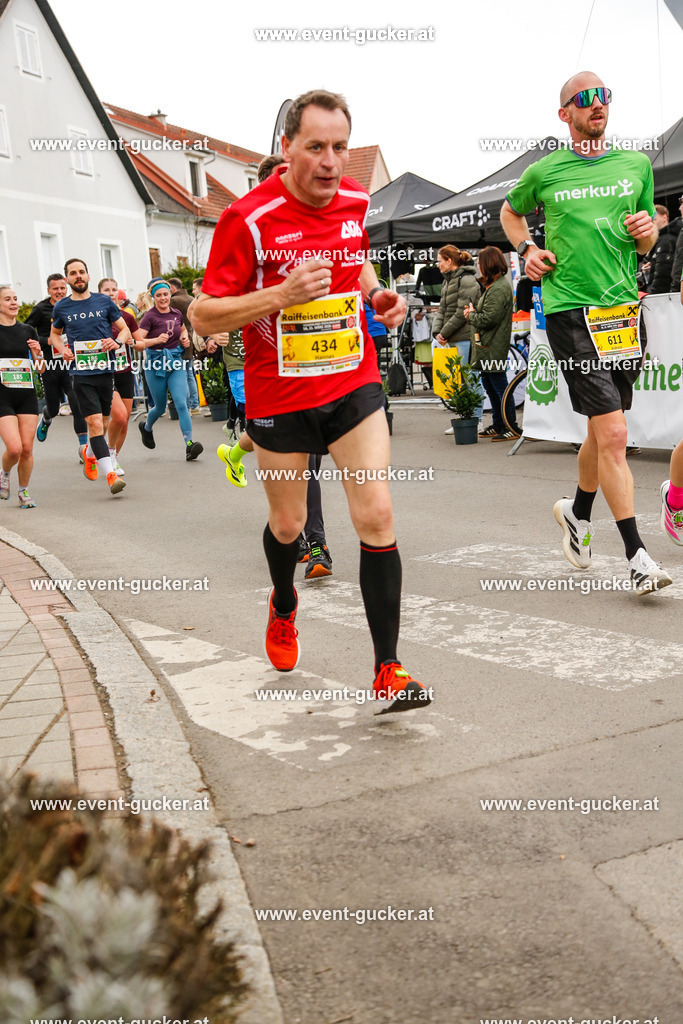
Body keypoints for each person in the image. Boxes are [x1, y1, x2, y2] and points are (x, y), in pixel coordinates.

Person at [192, 88, 431, 712]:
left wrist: (377, 297)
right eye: (317, 147)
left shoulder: (355, 201)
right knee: (290, 526)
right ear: (287, 148)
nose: (331, 162)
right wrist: (280, 296)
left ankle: (388, 668)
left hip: (351, 379)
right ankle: (283, 602)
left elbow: (358, 265)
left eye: (341, 148)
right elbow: (204, 315)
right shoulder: (246, 218)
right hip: (279, 393)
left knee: (376, 513)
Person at [501, 71, 672, 594]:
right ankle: (638, 556)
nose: (597, 105)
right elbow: (510, 212)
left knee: (605, 429)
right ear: (565, 114)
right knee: (617, 433)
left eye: (604, 96)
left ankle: (577, 514)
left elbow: (643, 240)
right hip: (570, 310)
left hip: (621, 312)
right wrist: (528, 249)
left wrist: (649, 232)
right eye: (585, 98)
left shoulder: (636, 164)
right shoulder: (545, 171)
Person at [48, 259, 129, 495]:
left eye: (81, 272)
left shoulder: (103, 301)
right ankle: (111, 477)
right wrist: (62, 348)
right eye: (73, 273)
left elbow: (123, 329)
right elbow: (54, 334)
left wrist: (116, 341)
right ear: (67, 279)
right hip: (80, 374)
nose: (78, 276)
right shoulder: (62, 307)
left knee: (103, 423)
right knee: (94, 423)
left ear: (88, 276)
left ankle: (90, 454)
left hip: (105, 370)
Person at [137, 278, 203, 461]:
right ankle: (147, 427)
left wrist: (185, 339)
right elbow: (138, 342)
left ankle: (190, 445)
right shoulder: (149, 316)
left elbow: (182, 330)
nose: (163, 298)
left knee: (182, 403)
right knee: (159, 407)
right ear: (154, 297)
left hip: (175, 362)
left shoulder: (175, 313)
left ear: (169, 294)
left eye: (165, 294)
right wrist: (156, 340)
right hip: (155, 363)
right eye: (159, 295)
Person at [26, 273, 89, 456]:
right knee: (54, 408)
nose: (60, 291)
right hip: (50, 365)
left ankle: (83, 449)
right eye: (56, 288)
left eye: (62, 288)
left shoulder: (73, 305)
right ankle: (46, 418)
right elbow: (27, 332)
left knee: (76, 403)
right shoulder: (40, 309)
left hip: (71, 363)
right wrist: (48, 341)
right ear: (49, 290)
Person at [464, 246, 520, 441]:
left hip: (492, 345)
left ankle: (509, 426)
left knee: (499, 386)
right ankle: (499, 424)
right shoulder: (496, 285)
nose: (478, 266)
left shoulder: (498, 288)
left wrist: (471, 315)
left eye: (480, 262)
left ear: (488, 264)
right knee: (491, 383)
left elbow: (488, 319)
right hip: (489, 345)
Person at [0, 286, 45, 507]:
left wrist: (38, 354)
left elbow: (41, 368)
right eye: (8, 299)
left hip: (26, 394)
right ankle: (5, 473)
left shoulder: (27, 330)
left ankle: (23, 492)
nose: (14, 303)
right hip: (2, 396)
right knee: (15, 448)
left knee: (27, 448)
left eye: (15, 299)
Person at [98, 278, 146, 474]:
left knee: (124, 421)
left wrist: (130, 343)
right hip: (103, 373)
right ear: (99, 293)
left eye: (114, 289)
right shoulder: (97, 317)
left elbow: (141, 343)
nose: (111, 293)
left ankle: (112, 457)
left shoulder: (127, 318)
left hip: (124, 372)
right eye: (106, 290)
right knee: (111, 418)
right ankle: (97, 448)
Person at [431, 246, 481, 364]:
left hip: (464, 338)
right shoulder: (447, 281)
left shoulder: (466, 279)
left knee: (468, 379)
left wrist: (442, 333)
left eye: (439, 261)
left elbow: (461, 313)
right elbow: (442, 309)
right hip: (451, 337)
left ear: (449, 261)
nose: (437, 265)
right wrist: (436, 332)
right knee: (456, 379)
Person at [169, 277, 200, 417]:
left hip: (179, 342)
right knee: (190, 375)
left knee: (183, 376)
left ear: (172, 288)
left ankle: (187, 406)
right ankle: (195, 405)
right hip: (190, 340)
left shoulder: (174, 301)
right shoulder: (189, 298)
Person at [643, 205, 680, 294]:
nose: (652, 223)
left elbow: (663, 272)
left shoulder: (667, 239)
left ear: (664, 217)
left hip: (661, 297)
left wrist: (652, 293)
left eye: (655, 219)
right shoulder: (659, 239)